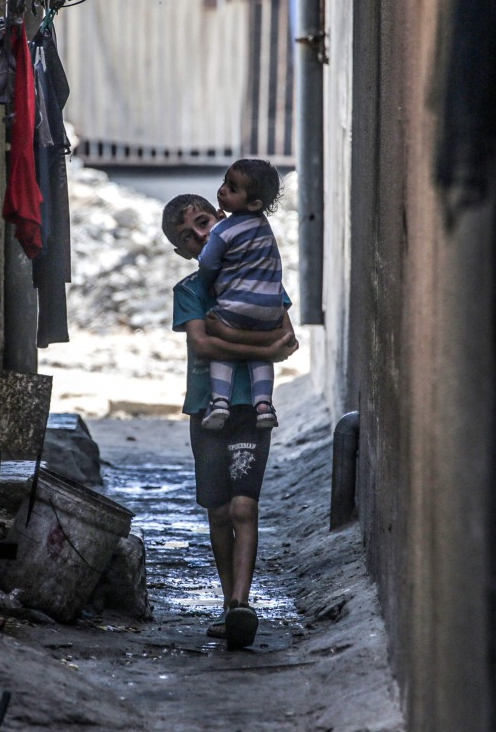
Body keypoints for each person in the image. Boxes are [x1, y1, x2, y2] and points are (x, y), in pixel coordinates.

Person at [161, 192, 299, 650]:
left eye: (203, 223)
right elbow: (204, 346)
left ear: (221, 220)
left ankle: (241, 604)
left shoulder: (263, 282)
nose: (201, 236)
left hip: (251, 411)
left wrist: (232, 337)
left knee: (244, 507)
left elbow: (289, 338)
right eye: (189, 237)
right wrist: (261, 350)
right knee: (218, 512)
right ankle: (228, 603)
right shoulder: (190, 290)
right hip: (206, 412)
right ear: (185, 252)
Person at [195, 159, 286, 431]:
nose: (222, 190)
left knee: (222, 349)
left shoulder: (224, 230)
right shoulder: (263, 226)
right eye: (225, 182)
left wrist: (209, 283)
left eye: (232, 188)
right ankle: (264, 405)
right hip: (271, 307)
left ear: (254, 204)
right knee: (261, 356)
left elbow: (207, 263)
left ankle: (220, 401)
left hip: (237, 306)